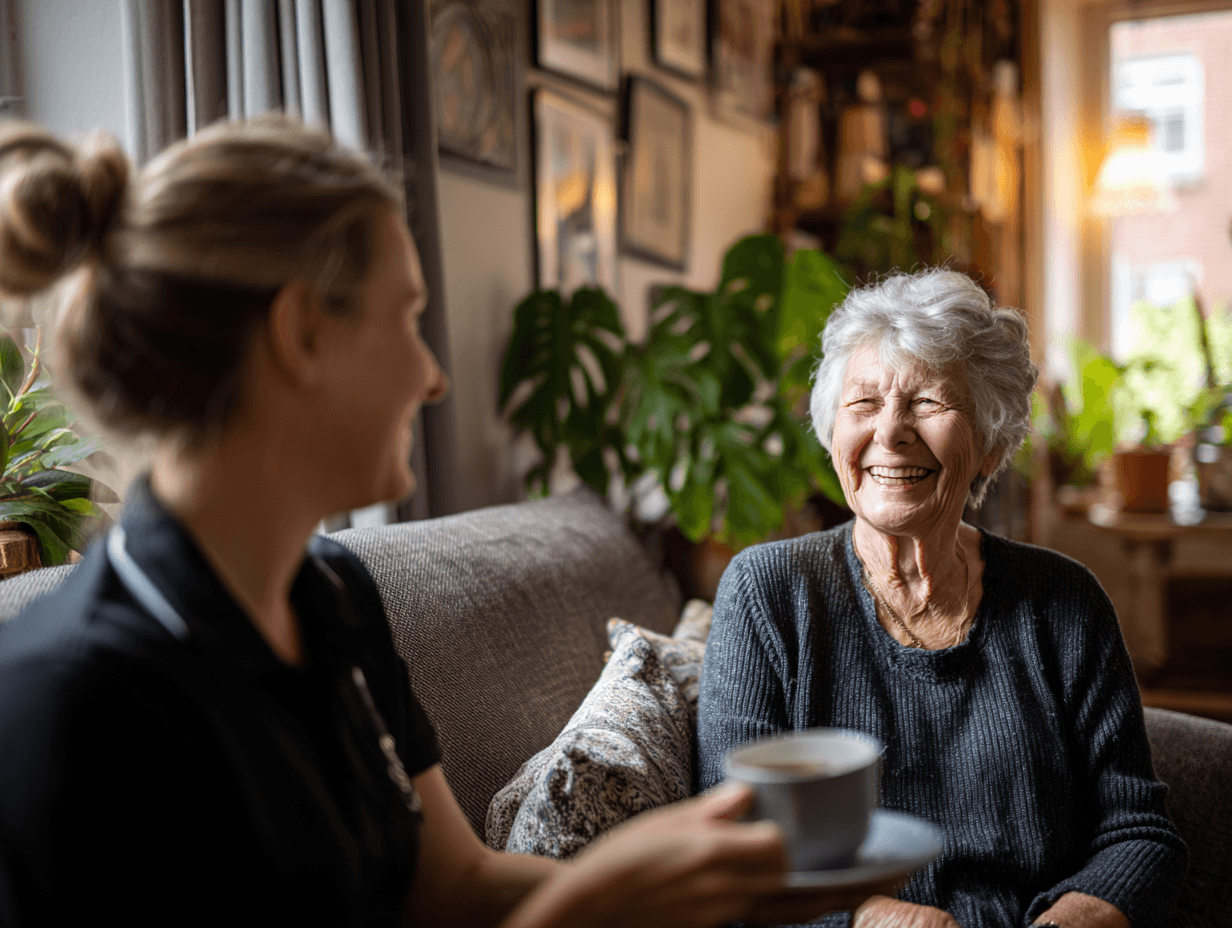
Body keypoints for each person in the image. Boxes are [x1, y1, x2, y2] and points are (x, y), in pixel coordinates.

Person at [0, 115, 896, 928]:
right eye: (410, 318)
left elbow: (452, 889)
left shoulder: (331, 598)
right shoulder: (68, 702)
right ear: (302, 333)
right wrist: (585, 907)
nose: (433, 376)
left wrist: (681, 870)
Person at [696, 270, 1188, 928]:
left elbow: (1138, 833)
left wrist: (1074, 919)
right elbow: (735, 840)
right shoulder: (769, 594)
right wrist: (874, 919)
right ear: (831, 433)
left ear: (989, 444)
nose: (892, 432)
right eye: (863, 404)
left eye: (928, 402)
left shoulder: (1064, 603)